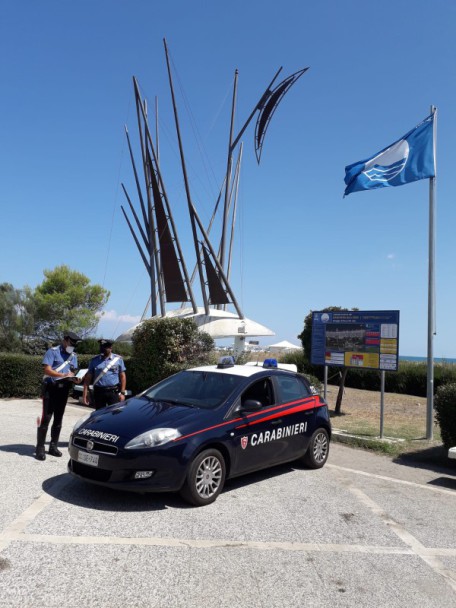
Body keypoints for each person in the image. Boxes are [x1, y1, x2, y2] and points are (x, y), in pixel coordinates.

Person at [36, 331, 82, 461]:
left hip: (64, 390)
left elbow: (72, 371)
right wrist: (62, 375)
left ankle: (53, 446)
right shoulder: (53, 351)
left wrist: (75, 379)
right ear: (65, 340)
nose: (72, 346)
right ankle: (40, 447)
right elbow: (47, 369)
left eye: (74, 345)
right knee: (46, 418)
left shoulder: (73, 355)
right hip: (51, 389)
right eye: (71, 343)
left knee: (58, 419)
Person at [83, 339, 127, 410]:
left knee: (114, 415)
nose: (102, 349)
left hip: (113, 392)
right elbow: (88, 378)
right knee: (99, 416)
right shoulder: (94, 360)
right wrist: (85, 393)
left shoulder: (118, 360)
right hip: (99, 392)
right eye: (101, 347)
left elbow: (123, 376)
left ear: (110, 348)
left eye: (105, 348)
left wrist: (122, 392)